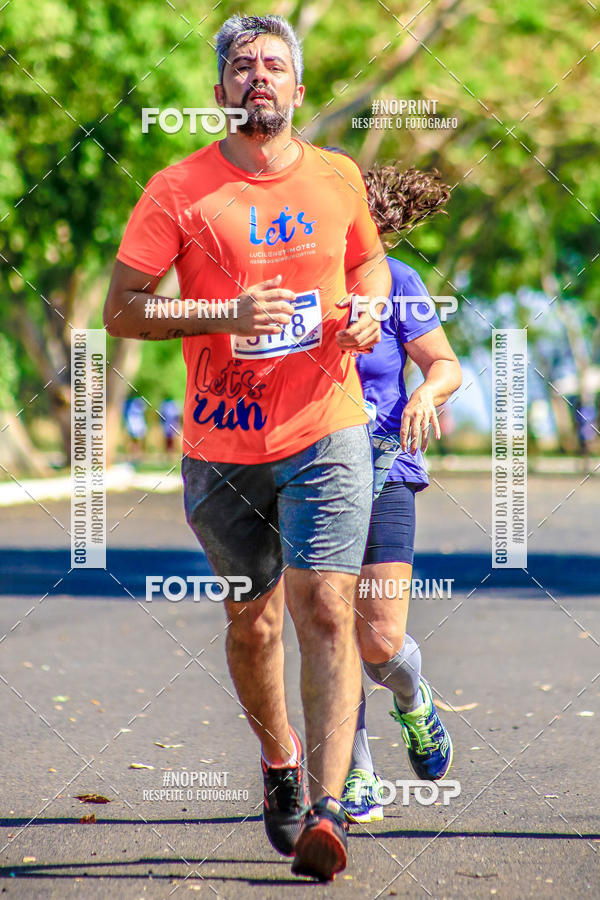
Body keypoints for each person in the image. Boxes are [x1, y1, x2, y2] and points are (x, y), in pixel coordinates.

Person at [103, 14, 391, 882]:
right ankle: (279, 762)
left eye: (274, 65)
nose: (257, 76)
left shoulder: (338, 178)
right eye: (241, 66)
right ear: (220, 91)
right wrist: (220, 315)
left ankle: (330, 810)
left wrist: (374, 306)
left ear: (299, 90)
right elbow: (123, 308)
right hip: (223, 444)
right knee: (252, 621)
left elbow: (370, 265)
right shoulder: (177, 189)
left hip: (324, 425)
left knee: (326, 608)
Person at [326, 156, 462, 822]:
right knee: (329, 631)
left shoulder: (400, 282)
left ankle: (414, 701)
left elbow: (444, 365)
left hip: (383, 468)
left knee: (378, 639)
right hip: (310, 471)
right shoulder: (295, 280)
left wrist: (426, 395)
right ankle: (358, 777)